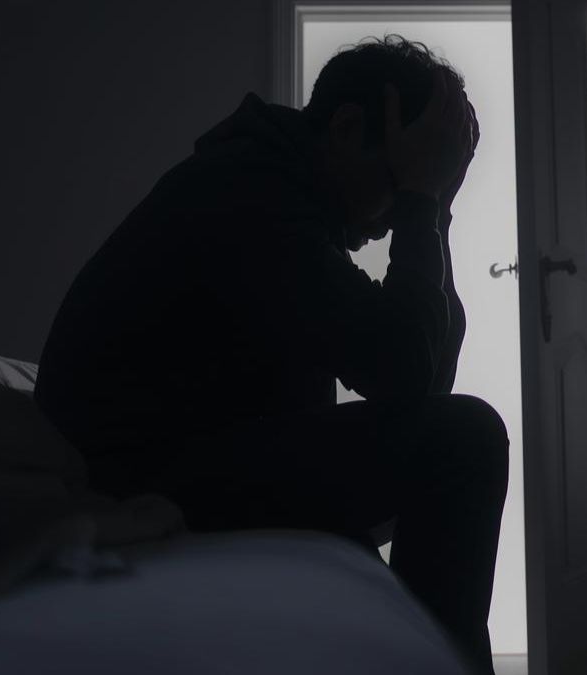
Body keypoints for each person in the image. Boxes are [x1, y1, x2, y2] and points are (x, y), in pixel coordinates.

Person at [34, 35, 507, 674]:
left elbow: (418, 380)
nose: (395, 218)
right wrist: (423, 205)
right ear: (346, 128)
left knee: (434, 463)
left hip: (197, 452)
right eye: (402, 182)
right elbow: (402, 372)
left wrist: (434, 208)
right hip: (137, 473)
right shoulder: (245, 195)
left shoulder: (281, 198)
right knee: (467, 437)